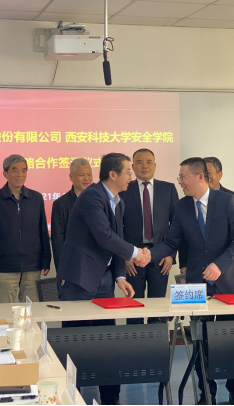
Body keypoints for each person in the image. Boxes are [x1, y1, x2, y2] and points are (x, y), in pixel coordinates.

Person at [150, 157, 234, 406]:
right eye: (179, 178)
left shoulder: (227, 201)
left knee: (232, 338)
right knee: (201, 339)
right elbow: (171, 242)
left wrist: (219, 264)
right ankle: (207, 391)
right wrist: (147, 255)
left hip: (229, 281)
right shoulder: (183, 206)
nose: (180, 182)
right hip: (197, 283)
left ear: (200, 177)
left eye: (183, 177)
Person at [57, 152, 151, 406]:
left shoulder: (117, 200)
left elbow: (116, 238)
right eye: (128, 172)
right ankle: (72, 398)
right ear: (112, 174)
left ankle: (111, 398)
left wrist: (120, 276)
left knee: (106, 341)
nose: (131, 177)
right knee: (75, 344)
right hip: (79, 280)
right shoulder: (92, 197)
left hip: (104, 281)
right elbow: (104, 236)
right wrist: (137, 253)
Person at [119, 149, 179, 324]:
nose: (144, 166)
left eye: (148, 162)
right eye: (139, 162)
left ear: (155, 165)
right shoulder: (124, 190)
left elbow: (176, 225)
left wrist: (170, 254)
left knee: (157, 309)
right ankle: (135, 341)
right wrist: (125, 255)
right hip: (132, 258)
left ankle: (157, 340)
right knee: (133, 308)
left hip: (161, 258)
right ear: (132, 167)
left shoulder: (168, 188)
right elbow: (117, 227)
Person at [0, 154, 51, 303]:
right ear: (5, 174)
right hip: (5, 267)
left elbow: (43, 232)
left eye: (24, 170)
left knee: (30, 310)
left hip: (32, 266)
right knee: (4, 311)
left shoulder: (36, 198)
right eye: (15, 170)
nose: (20, 174)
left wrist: (46, 260)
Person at [51, 158, 93, 271]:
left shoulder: (101, 200)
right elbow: (58, 241)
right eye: (82, 175)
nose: (86, 178)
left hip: (98, 266)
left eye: (89, 174)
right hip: (73, 265)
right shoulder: (60, 204)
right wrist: (62, 270)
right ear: (71, 177)